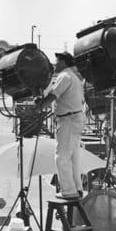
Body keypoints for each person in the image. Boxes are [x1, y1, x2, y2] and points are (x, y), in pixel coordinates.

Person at [38, 52, 85, 199]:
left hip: (68, 120)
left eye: (57, 61)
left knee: (61, 157)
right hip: (74, 118)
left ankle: (69, 191)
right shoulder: (73, 76)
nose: (54, 64)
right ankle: (77, 188)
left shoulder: (64, 76)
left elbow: (52, 96)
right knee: (73, 158)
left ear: (64, 62)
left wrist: (39, 105)